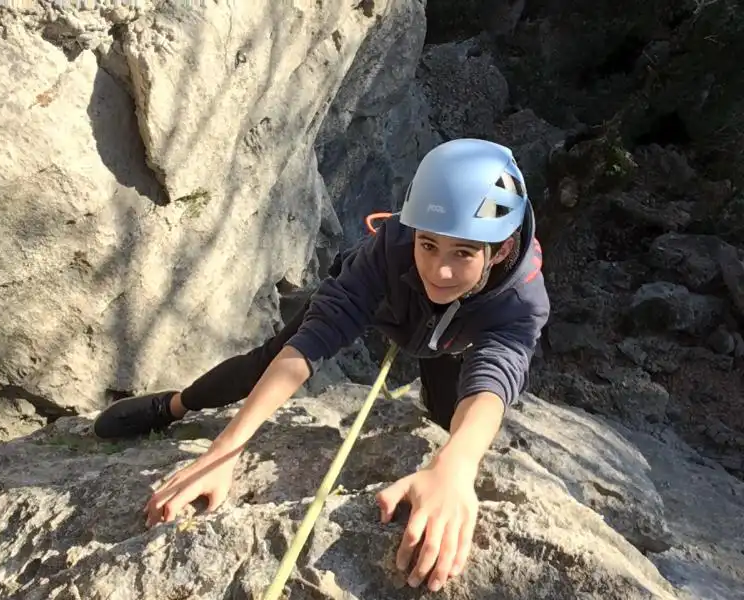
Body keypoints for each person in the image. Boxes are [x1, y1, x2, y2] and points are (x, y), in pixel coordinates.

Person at [93, 138, 550, 592]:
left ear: (503, 250)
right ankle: (172, 406)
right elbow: (314, 340)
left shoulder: (520, 296)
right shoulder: (394, 242)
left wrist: (456, 467)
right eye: (429, 245)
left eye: (463, 254)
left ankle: (439, 438)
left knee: (451, 417)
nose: (439, 271)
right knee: (268, 360)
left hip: (453, 341)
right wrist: (224, 451)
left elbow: (495, 373)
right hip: (393, 310)